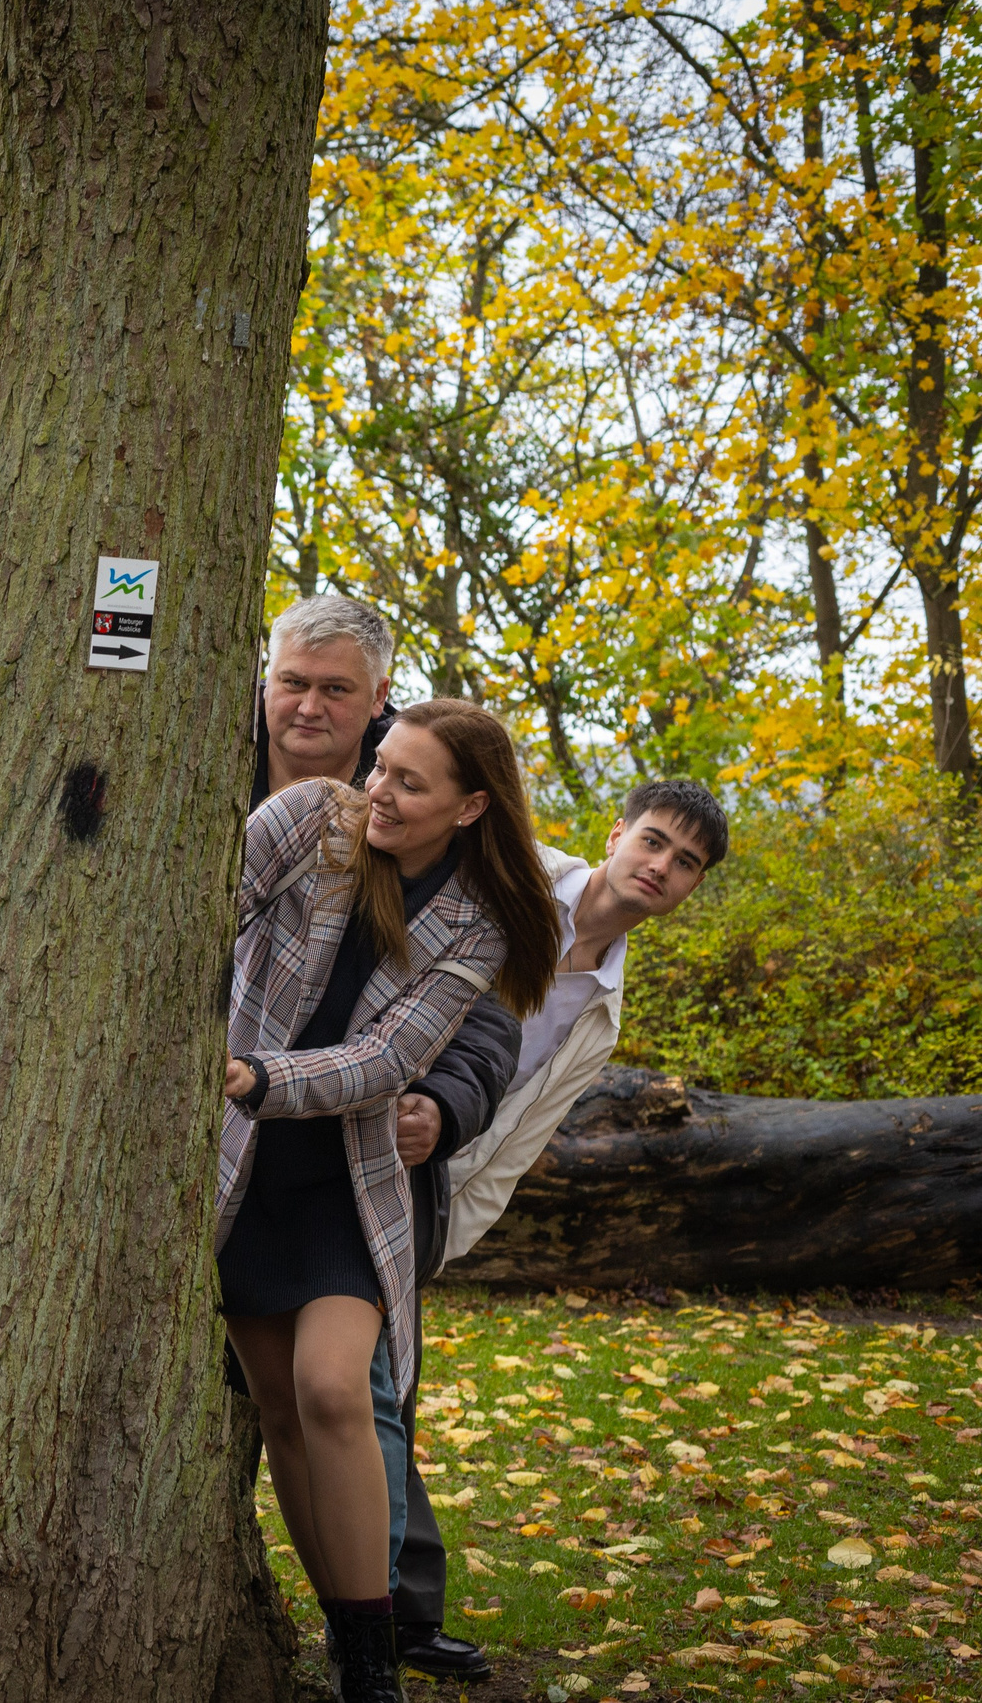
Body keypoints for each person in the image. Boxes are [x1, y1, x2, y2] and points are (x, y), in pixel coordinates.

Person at [218, 700, 560, 1703]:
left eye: (411, 784)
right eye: (384, 768)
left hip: (345, 1175)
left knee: (333, 1388)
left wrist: (255, 1078)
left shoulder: (479, 925)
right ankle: (347, 1628)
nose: (380, 792)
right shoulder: (303, 822)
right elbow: (199, 916)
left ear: (469, 809)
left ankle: (372, 1671)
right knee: (280, 1409)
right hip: (238, 1172)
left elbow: (387, 1059)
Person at [437, 779, 729, 1260]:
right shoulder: (515, 870)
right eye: (652, 841)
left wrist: (433, 1251)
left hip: (417, 1175)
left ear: (693, 887)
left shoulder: (601, 1024)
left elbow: (510, 1152)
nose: (660, 866)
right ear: (617, 836)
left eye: (684, 862)